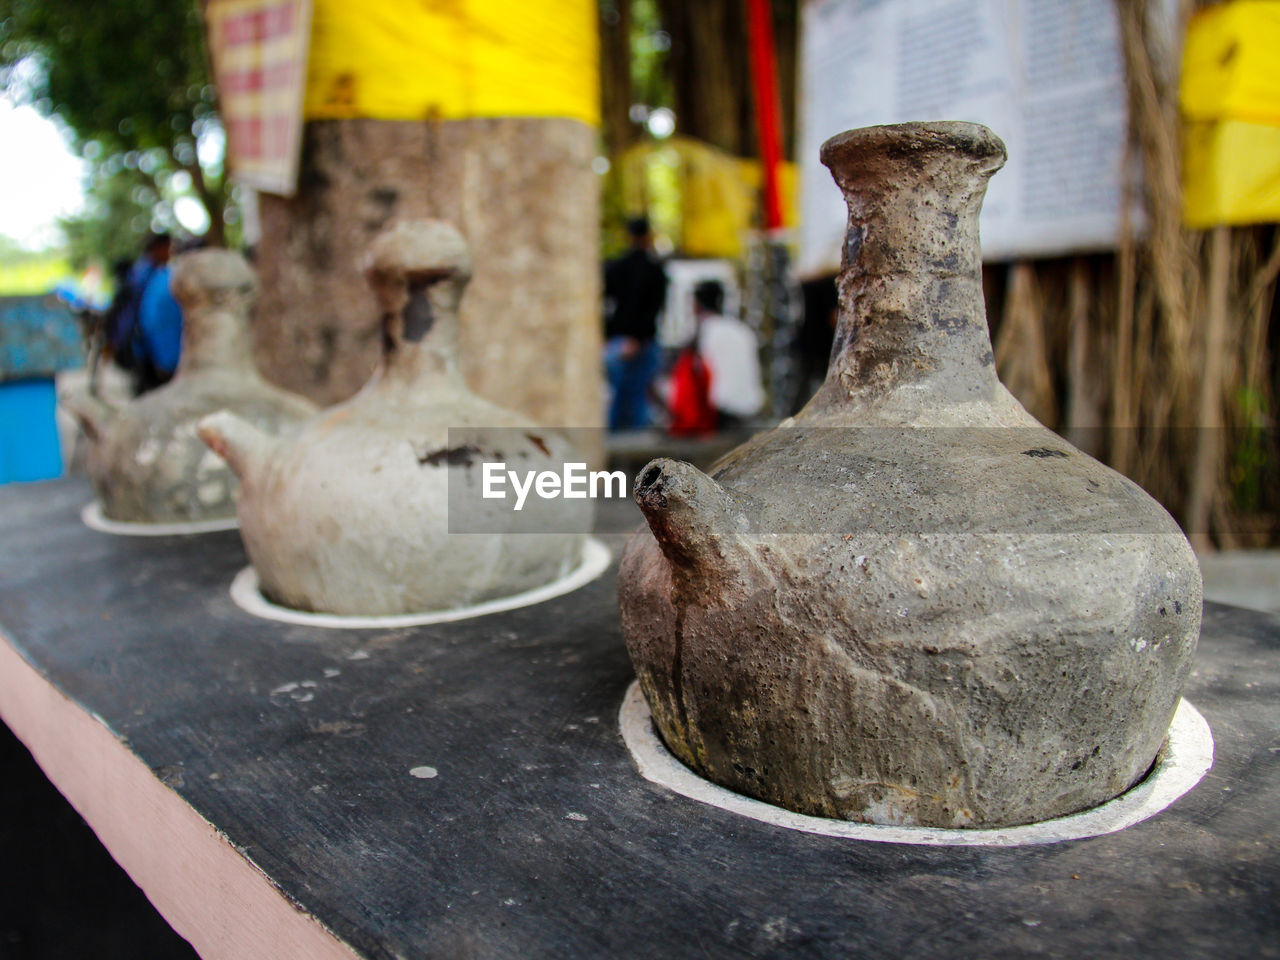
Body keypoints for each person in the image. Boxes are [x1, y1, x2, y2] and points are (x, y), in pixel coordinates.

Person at [603, 216, 668, 430]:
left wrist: (608, 333)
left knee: (620, 395)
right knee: (637, 396)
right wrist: (638, 337)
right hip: (642, 340)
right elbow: (652, 308)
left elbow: (606, 302)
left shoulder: (617, 268)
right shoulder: (653, 270)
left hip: (619, 339)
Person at [108, 233, 175, 394]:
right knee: (151, 390)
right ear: (158, 248)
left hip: (141, 341)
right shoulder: (148, 275)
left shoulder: (145, 272)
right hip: (144, 343)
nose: (170, 253)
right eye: (168, 248)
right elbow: (148, 316)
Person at [692, 279, 764, 427]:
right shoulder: (740, 329)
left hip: (722, 409)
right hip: (752, 405)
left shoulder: (706, 330)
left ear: (697, 305)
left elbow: (699, 374)